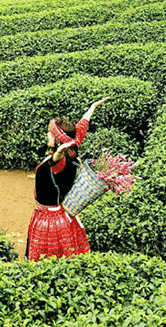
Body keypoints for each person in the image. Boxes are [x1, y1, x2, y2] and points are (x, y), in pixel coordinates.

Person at [26, 98, 107, 262]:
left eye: (50, 132)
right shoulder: (72, 150)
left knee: (45, 262)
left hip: (49, 222)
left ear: (57, 140)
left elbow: (55, 161)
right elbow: (80, 129)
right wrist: (92, 108)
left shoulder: (59, 162)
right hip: (64, 218)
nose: (47, 134)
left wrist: (57, 153)